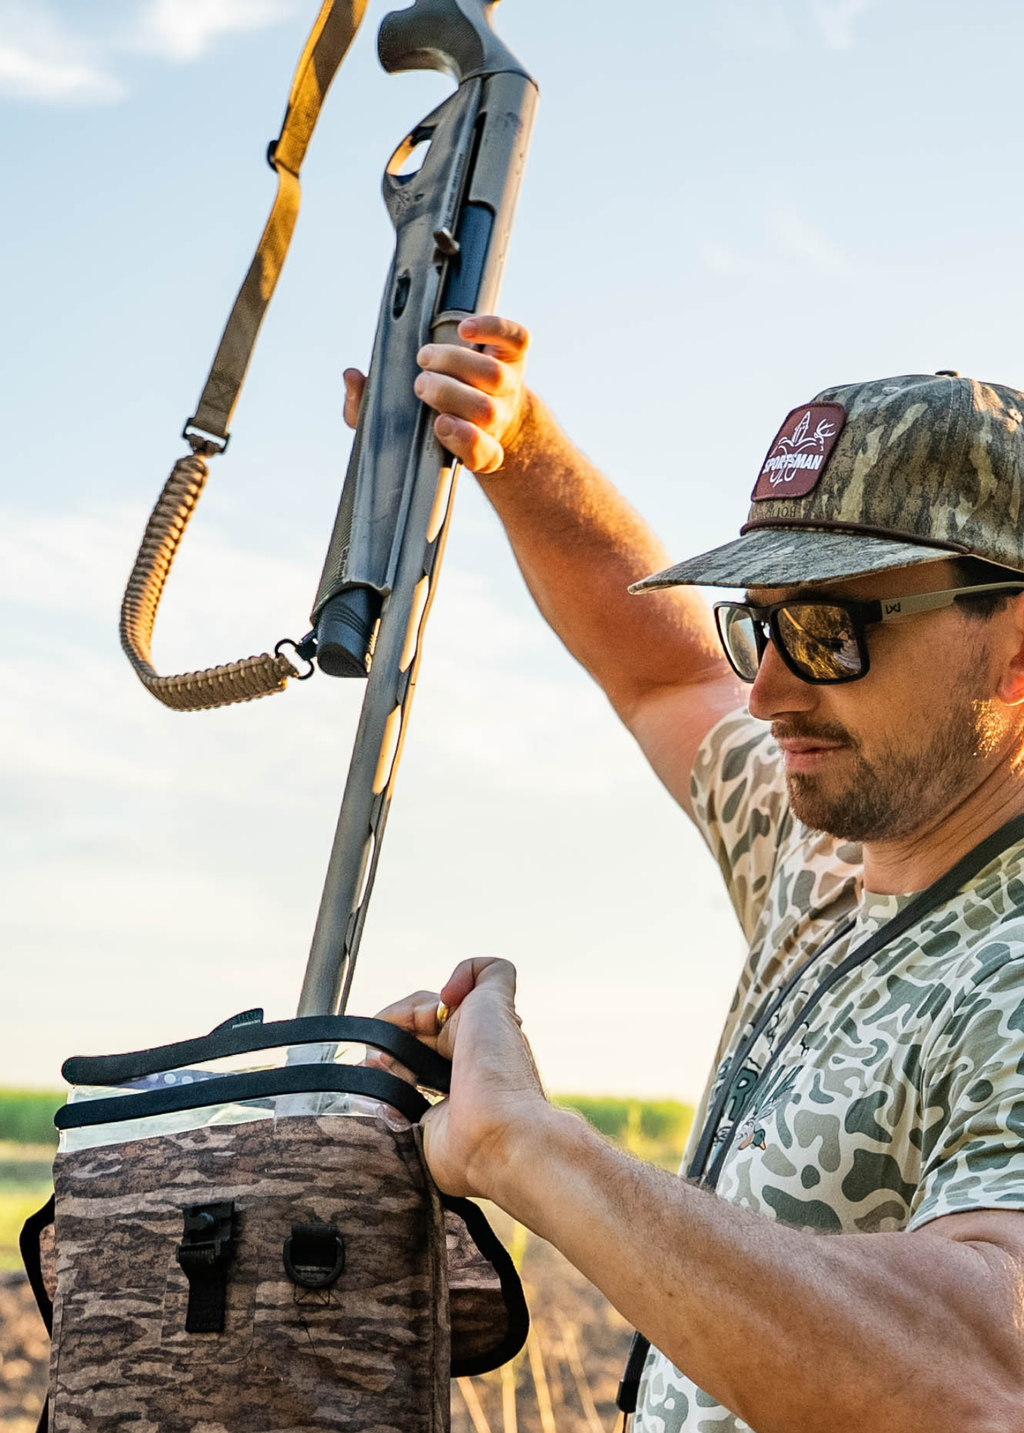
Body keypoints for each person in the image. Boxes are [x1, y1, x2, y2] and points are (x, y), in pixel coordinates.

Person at [346, 322, 1024, 1433]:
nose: (767, 692)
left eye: (824, 630)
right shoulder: (821, 841)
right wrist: (511, 446)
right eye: (757, 626)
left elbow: (985, 1371)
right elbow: (661, 671)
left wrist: (525, 1143)